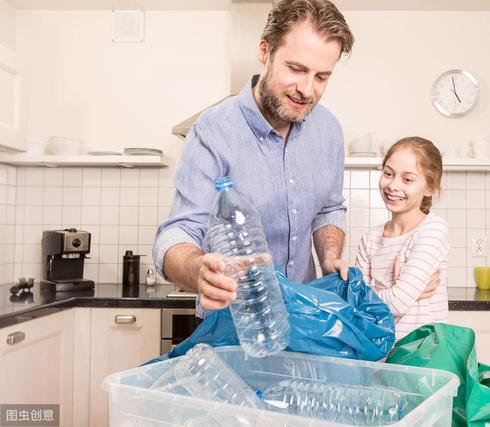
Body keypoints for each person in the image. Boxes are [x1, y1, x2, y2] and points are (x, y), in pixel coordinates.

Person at [152, 0, 354, 317]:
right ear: (264, 51)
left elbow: (328, 208)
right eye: (297, 69)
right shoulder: (213, 132)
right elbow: (178, 232)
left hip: (306, 317)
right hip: (236, 326)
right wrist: (198, 269)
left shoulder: (328, 130)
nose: (307, 89)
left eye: (321, 77)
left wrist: (329, 256)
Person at [355, 137, 449, 340]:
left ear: (429, 188)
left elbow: (395, 303)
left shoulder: (432, 230)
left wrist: (391, 295)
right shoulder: (370, 239)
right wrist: (397, 290)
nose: (393, 185)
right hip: (378, 357)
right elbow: (355, 308)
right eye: (388, 174)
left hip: (422, 357)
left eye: (408, 179)